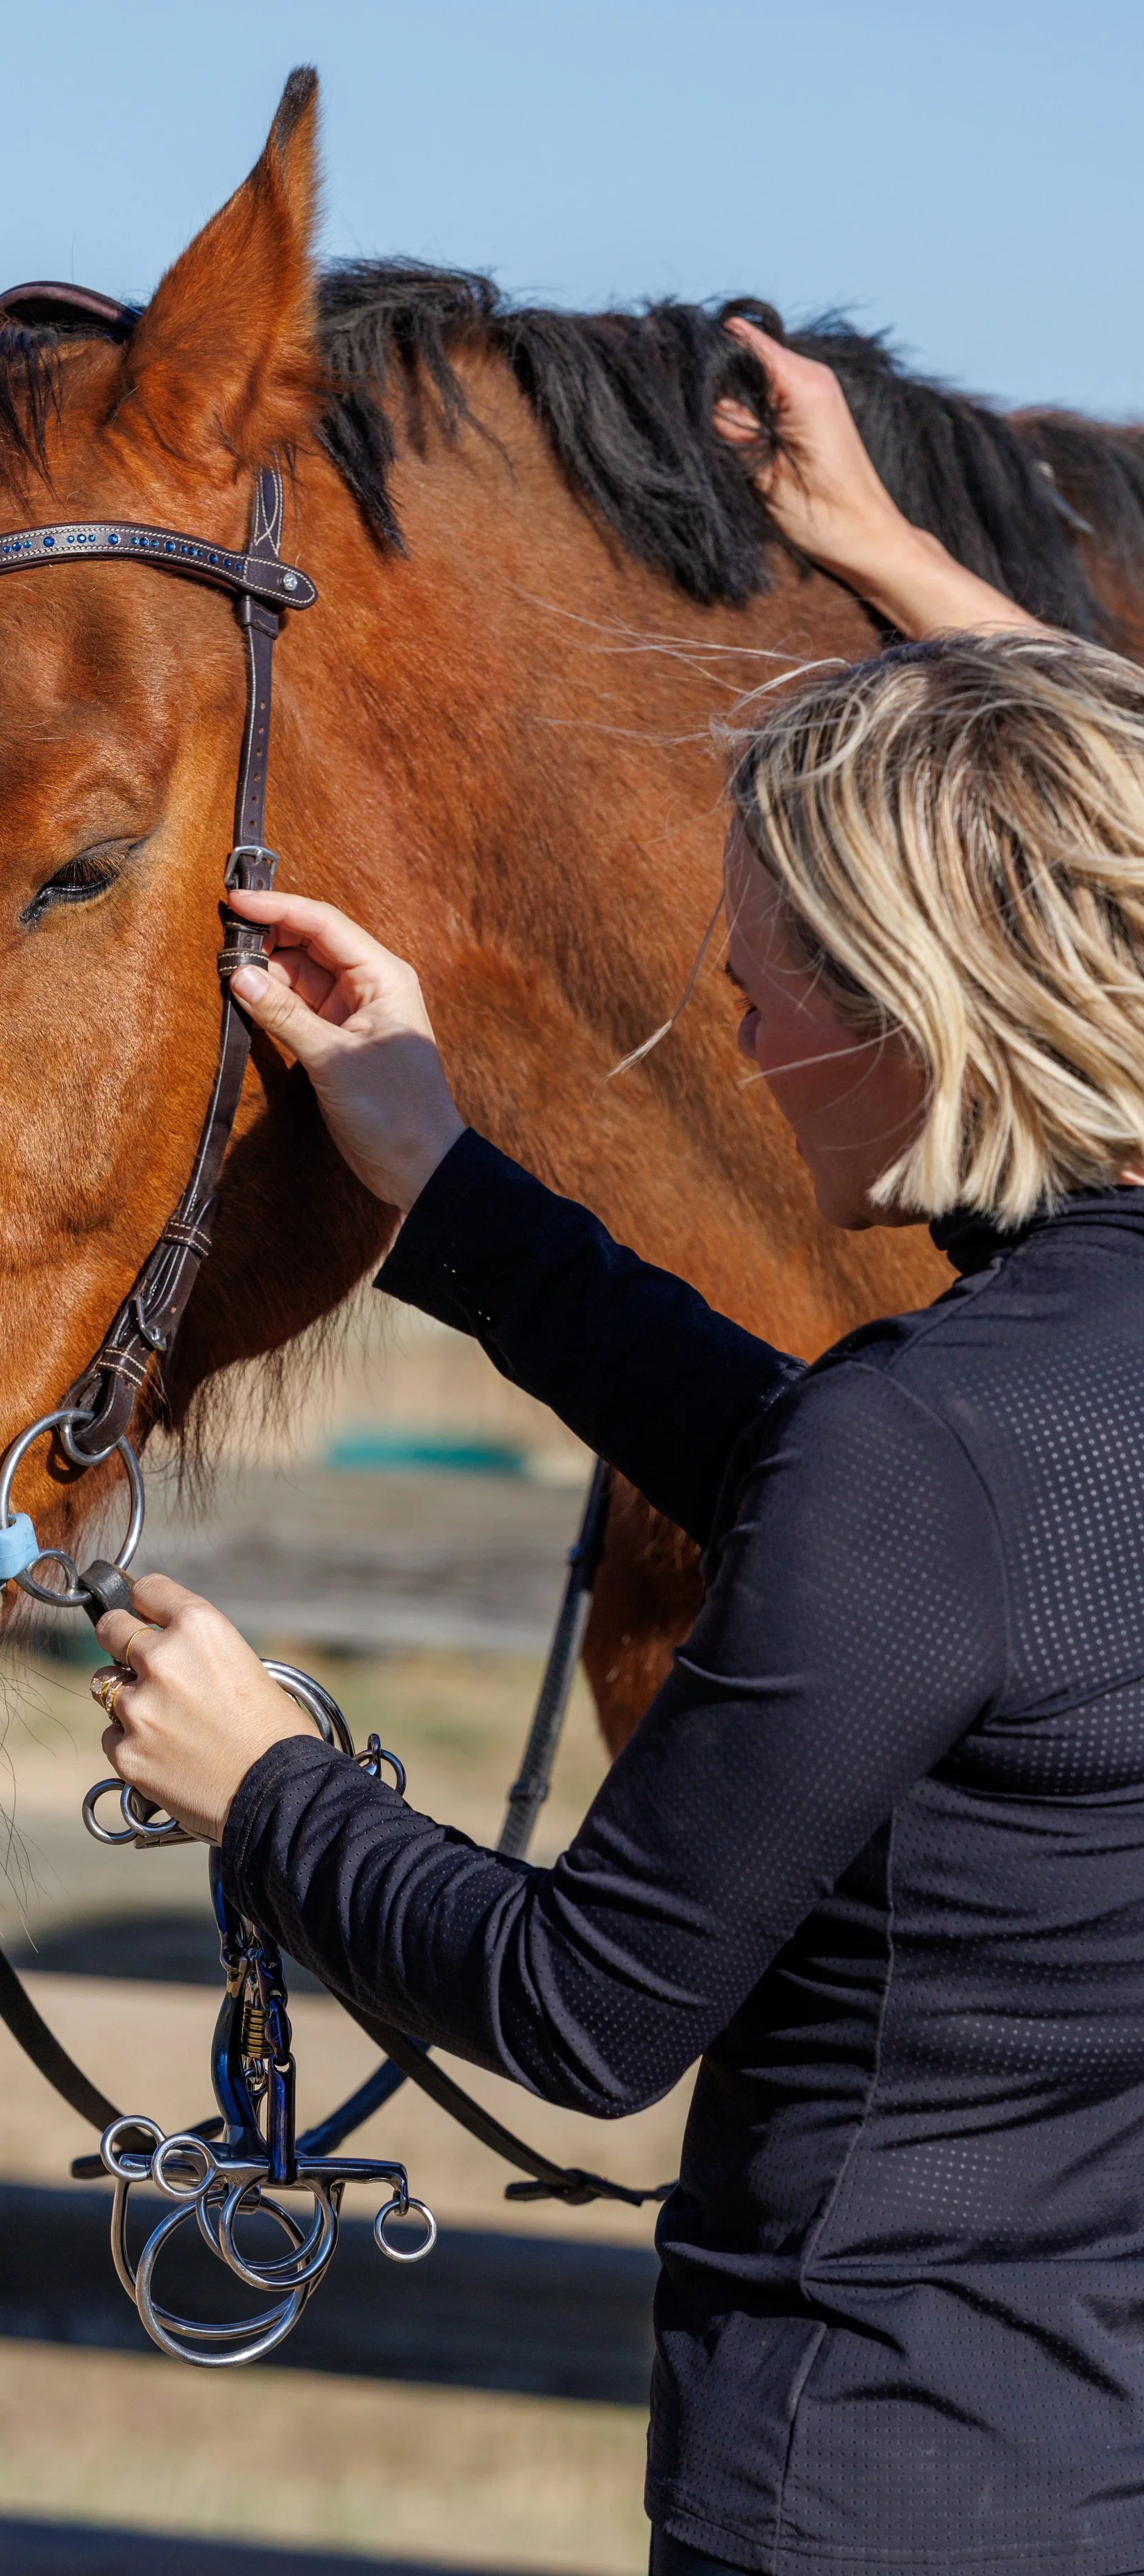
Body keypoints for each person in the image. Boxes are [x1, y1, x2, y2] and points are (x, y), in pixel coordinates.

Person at [94, 322, 1144, 2576]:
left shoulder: (923, 1452)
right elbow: (854, 1495)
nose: (735, 1015)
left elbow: (583, 2010)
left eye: (767, 964)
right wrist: (443, 1184)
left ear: (920, 998)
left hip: (844, 2497)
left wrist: (270, 1788)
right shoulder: (1015, 1424)